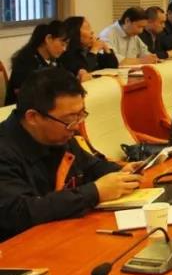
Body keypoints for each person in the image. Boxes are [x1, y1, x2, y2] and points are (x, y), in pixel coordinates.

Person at [0, 68, 141, 241]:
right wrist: (95, 192)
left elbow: (90, 166)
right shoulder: (5, 149)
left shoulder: (60, 135)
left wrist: (121, 172)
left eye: (81, 114)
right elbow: (20, 213)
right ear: (33, 117)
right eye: (69, 119)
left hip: (60, 233)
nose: (76, 126)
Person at [6, 21, 68, 105]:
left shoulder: (55, 59)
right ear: (48, 39)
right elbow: (23, 93)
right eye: (62, 44)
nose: (64, 49)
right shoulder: (25, 60)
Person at [57, 16, 118, 81]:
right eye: (87, 28)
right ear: (75, 33)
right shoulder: (67, 55)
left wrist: (106, 48)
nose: (92, 32)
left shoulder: (87, 50)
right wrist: (94, 50)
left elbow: (112, 66)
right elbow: (84, 71)